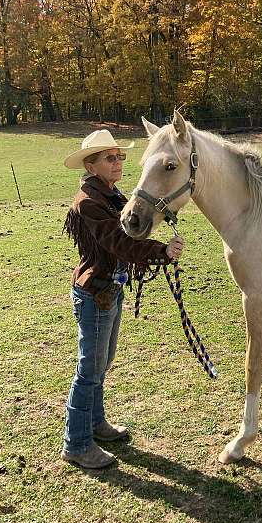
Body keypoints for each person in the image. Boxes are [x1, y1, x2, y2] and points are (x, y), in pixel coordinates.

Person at [61, 129, 183, 469]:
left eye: (120, 157)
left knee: (102, 365)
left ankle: (96, 423)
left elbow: (132, 225)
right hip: (95, 292)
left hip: (109, 290)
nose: (118, 163)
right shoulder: (89, 201)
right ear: (91, 165)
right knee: (89, 370)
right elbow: (119, 242)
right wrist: (161, 251)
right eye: (110, 158)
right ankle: (77, 443)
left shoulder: (112, 194)